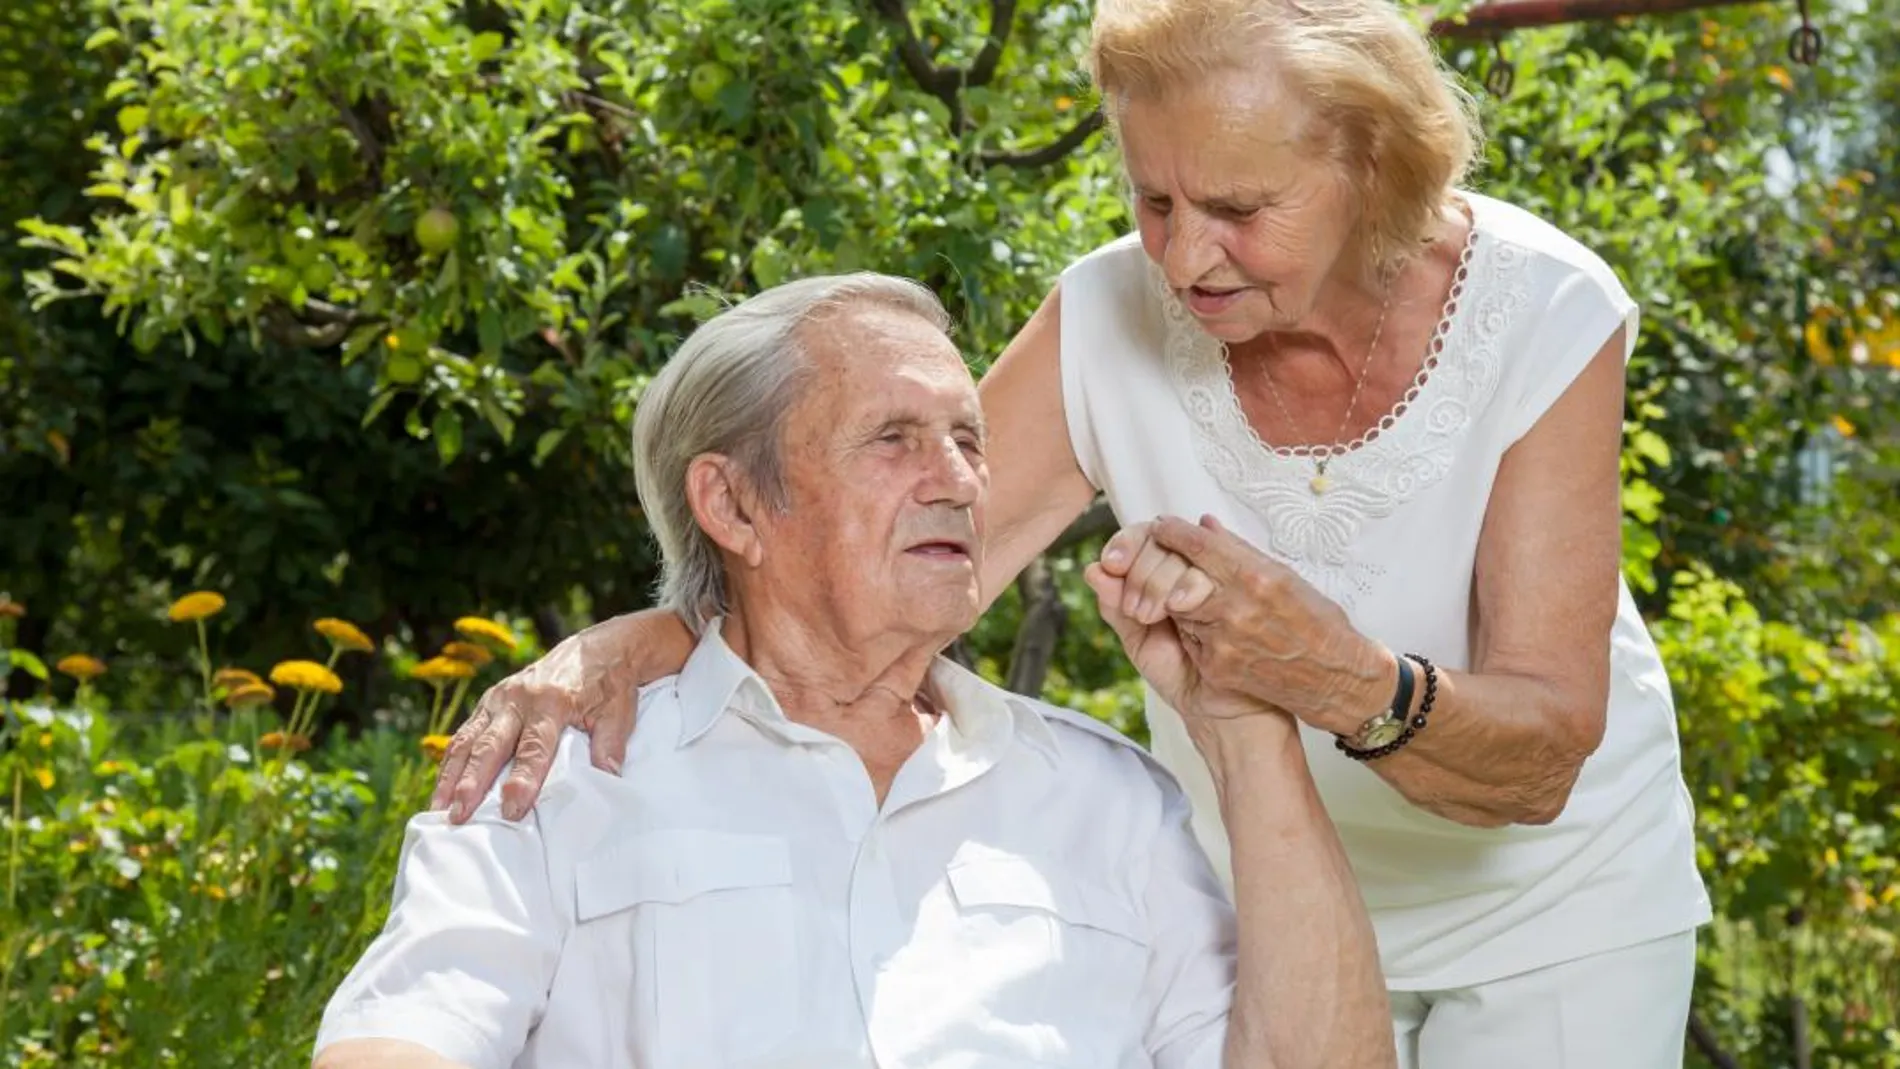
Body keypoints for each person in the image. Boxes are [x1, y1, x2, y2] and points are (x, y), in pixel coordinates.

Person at [436, 0, 1712, 1065]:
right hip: (1258, 893)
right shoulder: (1110, 310)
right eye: (1152, 199)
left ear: (1374, 168)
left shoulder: (1543, 309)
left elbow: (1540, 756)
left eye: (1236, 207)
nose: (1184, 256)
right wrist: (626, 645)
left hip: (1550, 910)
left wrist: (1324, 673)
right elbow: (881, 559)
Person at [317, 274, 1393, 1069]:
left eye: (969, 440)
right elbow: (399, 1039)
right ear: (734, 504)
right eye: (894, 438)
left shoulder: (1107, 801)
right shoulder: (559, 774)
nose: (961, 481)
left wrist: (1244, 732)